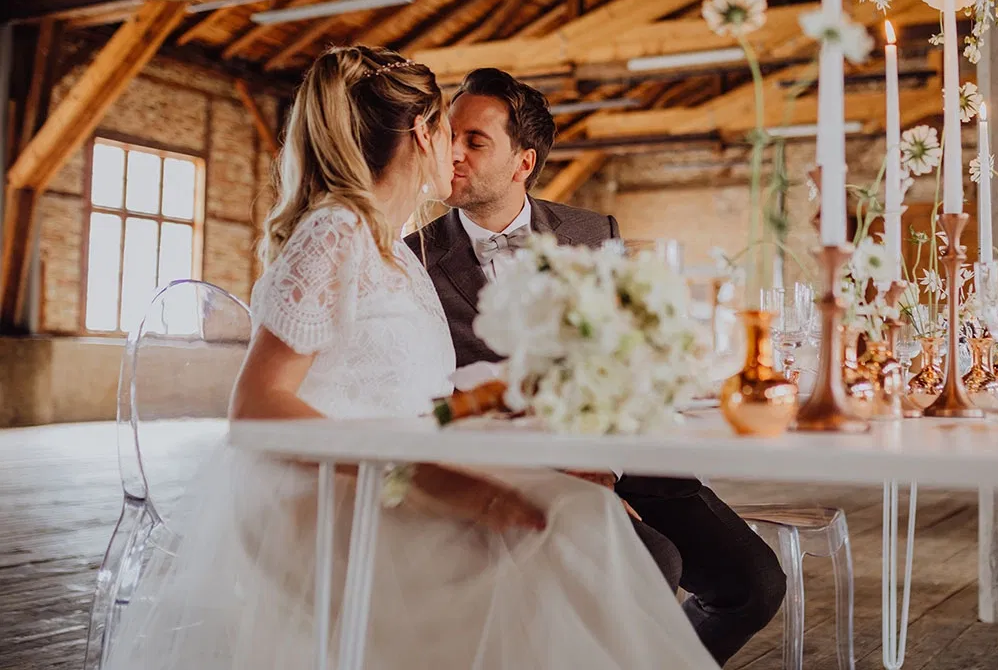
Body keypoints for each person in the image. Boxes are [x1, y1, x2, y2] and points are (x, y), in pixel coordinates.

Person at [101, 46, 719, 670]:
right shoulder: (335, 231)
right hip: (333, 507)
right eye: (450, 132)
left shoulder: (392, 250)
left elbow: (410, 399)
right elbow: (256, 408)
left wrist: (511, 406)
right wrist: (446, 484)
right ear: (421, 135)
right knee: (574, 537)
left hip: (396, 479)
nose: (456, 151)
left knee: (581, 515)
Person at [406, 67, 787, 665]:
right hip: (512, 466)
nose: (452, 151)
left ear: (523, 162)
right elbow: (431, 398)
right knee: (652, 564)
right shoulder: (415, 259)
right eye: (450, 135)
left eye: (475, 141)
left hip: (616, 448)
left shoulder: (593, 232)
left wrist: (606, 463)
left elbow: (628, 356)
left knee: (754, 583)